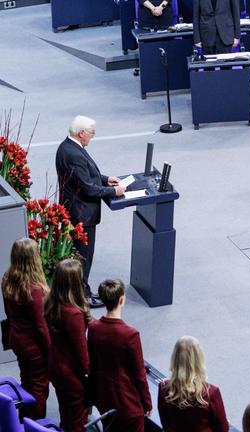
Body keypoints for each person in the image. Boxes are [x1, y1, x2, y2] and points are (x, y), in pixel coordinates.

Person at [55, 115, 125, 309]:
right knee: (83, 258)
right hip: (81, 215)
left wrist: (105, 179)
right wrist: (113, 191)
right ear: (81, 133)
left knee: (80, 256)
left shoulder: (67, 147)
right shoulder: (74, 154)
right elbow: (87, 188)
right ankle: (83, 296)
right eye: (91, 133)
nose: (92, 137)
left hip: (75, 210)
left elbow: (84, 175)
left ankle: (80, 292)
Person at [88, 279, 152, 432]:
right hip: (128, 404)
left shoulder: (93, 328)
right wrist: (147, 403)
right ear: (122, 300)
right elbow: (139, 375)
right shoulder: (130, 335)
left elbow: (93, 364)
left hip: (105, 400)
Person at [1, 238, 50, 419]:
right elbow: (41, 327)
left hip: (17, 340)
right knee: (39, 387)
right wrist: (51, 352)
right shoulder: (34, 290)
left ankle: (25, 418)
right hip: (34, 347)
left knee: (26, 380)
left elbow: (8, 312)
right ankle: (36, 424)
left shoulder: (6, 279)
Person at [45, 259, 91, 432]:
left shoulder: (51, 303)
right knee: (78, 422)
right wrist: (91, 377)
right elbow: (82, 354)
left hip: (56, 368)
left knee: (65, 414)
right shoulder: (73, 314)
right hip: (72, 375)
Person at [158, 336, 229, 432]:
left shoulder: (163, 388)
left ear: (175, 358)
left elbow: (165, 424)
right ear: (199, 359)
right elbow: (223, 428)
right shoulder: (211, 392)